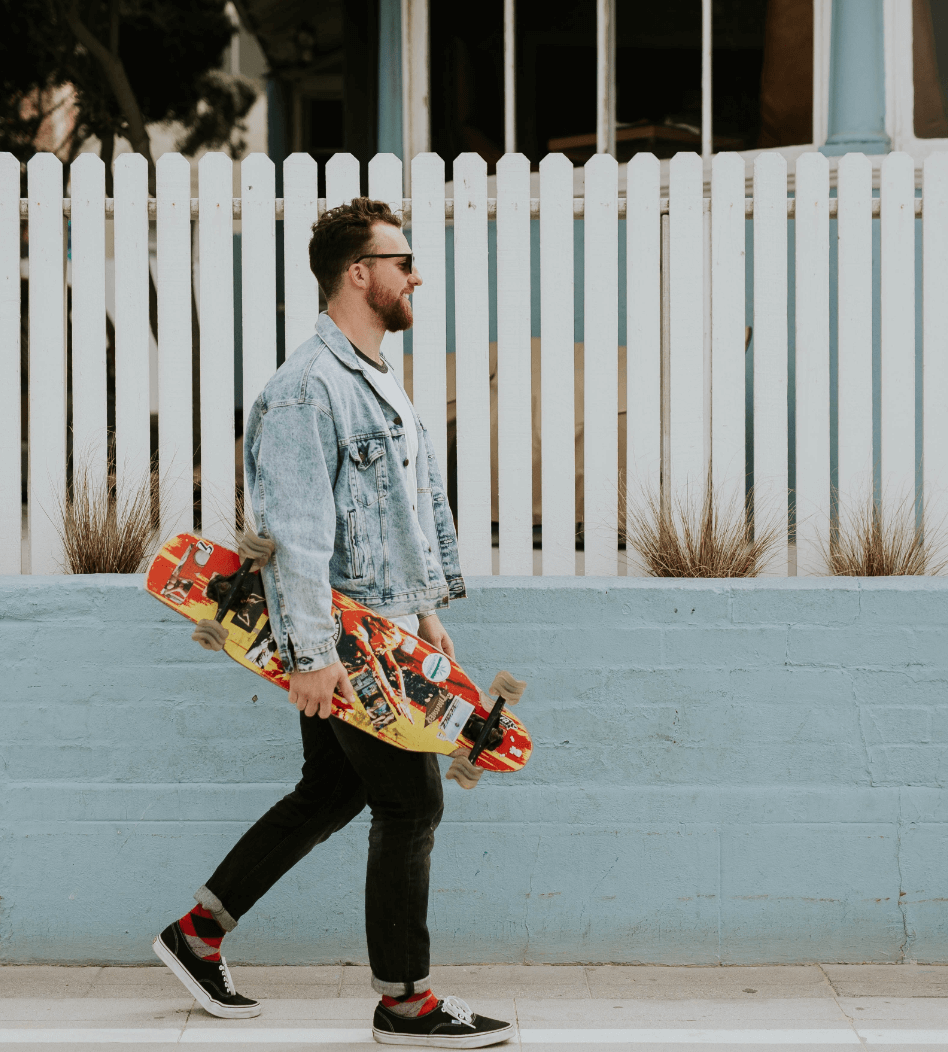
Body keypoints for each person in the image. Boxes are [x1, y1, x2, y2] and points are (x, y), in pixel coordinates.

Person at [152, 198, 513, 1048]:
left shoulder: (374, 376)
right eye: (403, 260)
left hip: (384, 630)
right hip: (342, 642)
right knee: (411, 804)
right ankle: (406, 1003)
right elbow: (295, 539)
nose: (415, 274)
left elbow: (400, 512)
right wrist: (313, 656)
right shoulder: (306, 391)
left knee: (334, 788)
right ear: (360, 274)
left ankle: (198, 934)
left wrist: (423, 609)